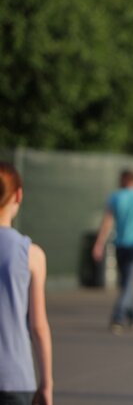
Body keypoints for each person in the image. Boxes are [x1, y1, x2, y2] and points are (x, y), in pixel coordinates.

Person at [0, 162, 53, 405]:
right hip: (15, 375)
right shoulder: (30, 254)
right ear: (18, 195)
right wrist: (46, 383)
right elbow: (38, 326)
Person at [92, 169, 133, 334]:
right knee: (128, 283)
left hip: (121, 245)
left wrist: (99, 244)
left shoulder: (115, 197)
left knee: (127, 283)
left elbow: (107, 222)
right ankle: (132, 317)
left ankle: (119, 316)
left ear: (124, 180)